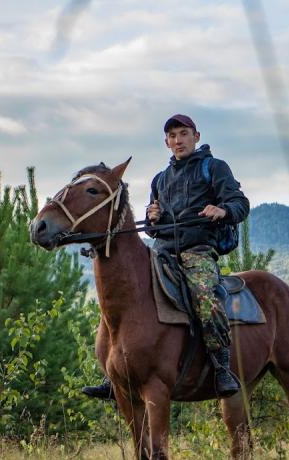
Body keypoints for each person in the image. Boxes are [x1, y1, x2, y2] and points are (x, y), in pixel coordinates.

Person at [82, 114, 250, 399]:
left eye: (183, 133)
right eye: (172, 136)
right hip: (161, 253)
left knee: (205, 298)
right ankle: (117, 375)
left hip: (198, 251)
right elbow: (154, 227)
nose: (178, 140)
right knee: (125, 299)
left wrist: (223, 211)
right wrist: (153, 217)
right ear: (166, 142)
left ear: (196, 137)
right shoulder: (160, 179)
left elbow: (240, 203)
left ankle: (222, 367)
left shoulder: (214, 168)